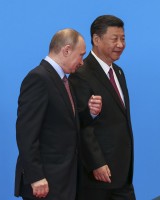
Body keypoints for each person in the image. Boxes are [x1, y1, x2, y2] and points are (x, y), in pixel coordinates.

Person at [14, 28, 102, 200]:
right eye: (81, 55)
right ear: (67, 50)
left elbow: (65, 124)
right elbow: (26, 133)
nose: (82, 62)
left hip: (64, 181)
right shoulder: (38, 78)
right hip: (45, 183)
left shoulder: (63, 80)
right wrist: (36, 177)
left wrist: (89, 113)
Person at [69, 15, 136, 200]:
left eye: (123, 38)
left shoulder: (119, 72)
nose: (121, 44)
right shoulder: (81, 74)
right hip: (97, 176)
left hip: (123, 173)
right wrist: (96, 163)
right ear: (96, 39)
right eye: (114, 38)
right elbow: (82, 123)